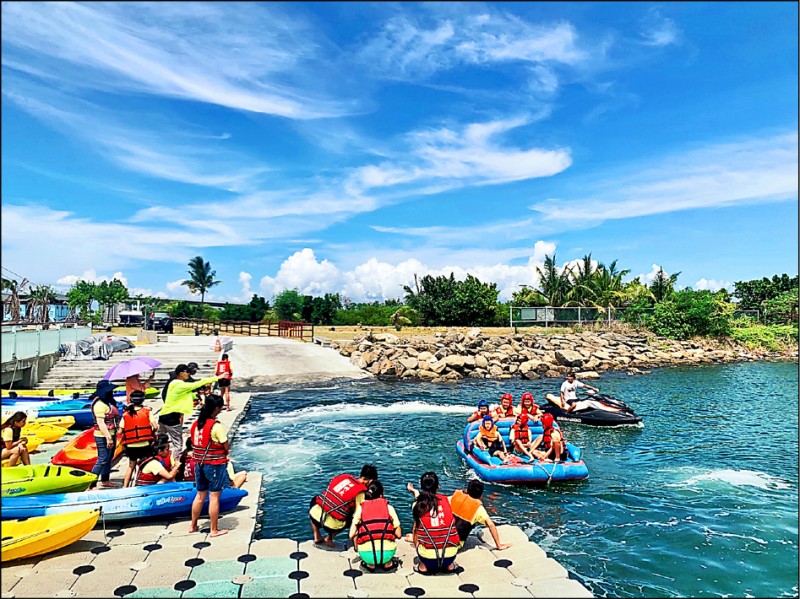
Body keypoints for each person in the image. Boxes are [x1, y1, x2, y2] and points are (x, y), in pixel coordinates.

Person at [159, 364, 226, 462]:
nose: (189, 374)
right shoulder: (180, 384)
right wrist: (218, 377)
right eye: (187, 372)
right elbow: (198, 383)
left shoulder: (173, 383)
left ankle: (156, 461)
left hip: (162, 416)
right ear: (181, 373)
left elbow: (187, 394)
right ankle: (174, 466)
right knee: (178, 445)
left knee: (160, 441)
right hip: (172, 417)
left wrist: (197, 398)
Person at [189, 394, 232, 537]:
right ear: (217, 408)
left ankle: (193, 525)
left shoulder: (196, 424)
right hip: (213, 464)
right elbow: (225, 445)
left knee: (200, 496)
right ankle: (214, 530)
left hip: (199, 463)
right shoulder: (216, 426)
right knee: (214, 497)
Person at [309, 464, 377, 547]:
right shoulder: (361, 492)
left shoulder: (345, 477)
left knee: (315, 500)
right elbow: (358, 515)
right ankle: (329, 538)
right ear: (370, 481)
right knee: (354, 518)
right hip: (331, 526)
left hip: (314, 516)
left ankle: (317, 535)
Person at [410, 471, 461, 574]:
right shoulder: (447, 501)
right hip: (450, 555)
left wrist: (417, 548)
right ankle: (449, 565)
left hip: (427, 557)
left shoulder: (417, 506)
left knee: (416, 530)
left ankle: (423, 565)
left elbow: (415, 531)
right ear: (438, 486)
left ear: (421, 486)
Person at [349, 480, 402, 572]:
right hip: (388, 553)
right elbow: (399, 534)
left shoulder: (361, 509)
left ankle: (370, 564)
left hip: (366, 554)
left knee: (359, 529)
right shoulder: (389, 508)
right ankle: (388, 564)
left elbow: (351, 535)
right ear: (381, 495)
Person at [449, 480, 511, 551]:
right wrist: (499, 545)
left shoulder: (455, 497)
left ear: (467, 490)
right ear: (481, 495)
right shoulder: (478, 508)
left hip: (440, 537)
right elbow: (491, 525)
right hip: (454, 544)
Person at [119, 390, 157, 487]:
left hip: (130, 444)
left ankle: (125, 486)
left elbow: (120, 430)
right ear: (142, 400)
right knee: (145, 464)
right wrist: (152, 434)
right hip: (145, 444)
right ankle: (143, 482)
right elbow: (155, 426)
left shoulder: (126, 413)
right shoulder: (147, 411)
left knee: (131, 466)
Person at [177, 438, 247, 489]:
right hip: (203, 486)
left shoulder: (182, 456)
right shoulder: (200, 458)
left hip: (190, 483)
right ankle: (233, 491)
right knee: (243, 475)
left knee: (242, 473)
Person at [90, 380, 122, 489]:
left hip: (112, 433)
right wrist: (108, 438)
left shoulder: (108, 402)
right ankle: (91, 484)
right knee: (102, 459)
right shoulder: (99, 404)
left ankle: (105, 480)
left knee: (109, 458)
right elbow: (101, 423)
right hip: (102, 435)